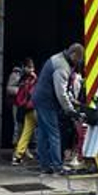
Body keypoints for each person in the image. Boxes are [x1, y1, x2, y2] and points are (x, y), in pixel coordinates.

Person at [34, 43, 83, 175]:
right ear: (73, 55)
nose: (77, 63)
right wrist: (70, 110)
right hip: (46, 102)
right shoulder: (62, 66)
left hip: (40, 99)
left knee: (44, 134)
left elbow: (62, 90)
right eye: (77, 60)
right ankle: (57, 166)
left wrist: (72, 101)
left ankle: (45, 165)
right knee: (54, 133)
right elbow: (60, 92)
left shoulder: (58, 58)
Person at [10, 57, 38, 164]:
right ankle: (43, 156)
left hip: (25, 108)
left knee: (26, 133)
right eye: (30, 67)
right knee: (42, 132)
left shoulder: (22, 79)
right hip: (33, 108)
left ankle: (18, 155)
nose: (31, 69)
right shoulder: (32, 79)